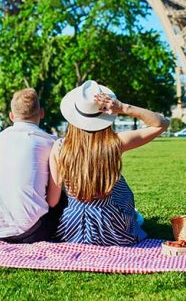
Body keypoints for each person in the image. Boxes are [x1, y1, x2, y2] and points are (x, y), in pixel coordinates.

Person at [49, 80, 169, 246]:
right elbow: (162, 124)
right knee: (120, 185)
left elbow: (53, 201)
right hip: (113, 228)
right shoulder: (116, 143)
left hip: (72, 228)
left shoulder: (60, 147)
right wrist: (123, 108)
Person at [0, 88, 64, 243]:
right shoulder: (50, 143)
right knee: (63, 193)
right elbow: (53, 201)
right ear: (42, 113)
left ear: (12, 116)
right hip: (32, 232)